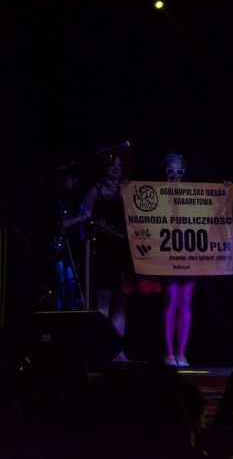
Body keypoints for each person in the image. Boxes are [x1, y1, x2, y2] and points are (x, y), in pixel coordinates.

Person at [84, 150, 133, 361]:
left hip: (124, 253)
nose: (116, 169)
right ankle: (102, 348)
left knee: (121, 303)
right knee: (103, 302)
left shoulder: (127, 189)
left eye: (120, 165)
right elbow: (85, 220)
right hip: (104, 252)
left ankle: (118, 350)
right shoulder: (95, 191)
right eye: (113, 164)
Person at [40, 162, 91, 311]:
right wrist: (81, 217)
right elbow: (56, 224)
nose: (75, 181)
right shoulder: (51, 198)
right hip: (55, 252)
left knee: (71, 291)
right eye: (72, 177)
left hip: (68, 252)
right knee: (60, 290)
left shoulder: (68, 198)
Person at [161, 154, 196, 368]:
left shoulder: (192, 193)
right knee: (171, 301)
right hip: (168, 254)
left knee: (185, 303)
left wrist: (224, 191)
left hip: (189, 254)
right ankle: (169, 353)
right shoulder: (157, 193)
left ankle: (181, 353)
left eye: (179, 172)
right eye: (170, 171)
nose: (175, 176)